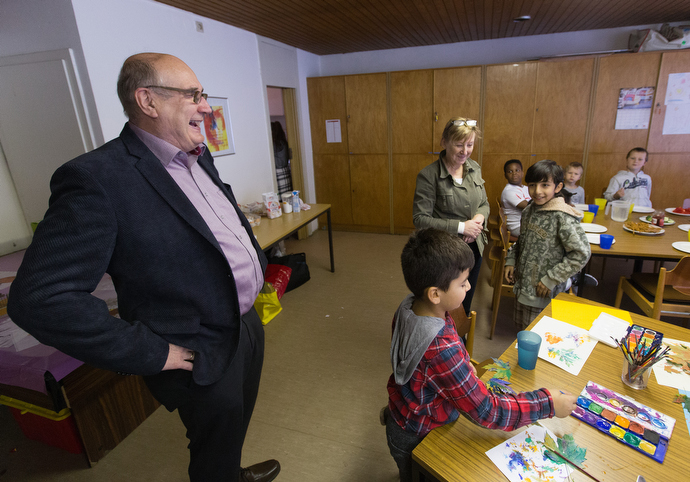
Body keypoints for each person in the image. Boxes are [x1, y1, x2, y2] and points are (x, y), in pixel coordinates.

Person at [8, 53, 280, 482]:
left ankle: (232, 473)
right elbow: (40, 299)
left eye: (203, 94)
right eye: (193, 94)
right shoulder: (96, 178)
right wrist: (152, 353)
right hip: (196, 348)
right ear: (148, 101)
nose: (205, 106)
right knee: (213, 440)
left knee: (232, 426)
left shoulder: (196, 154)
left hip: (245, 325)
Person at [384, 228, 578, 482]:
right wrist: (547, 403)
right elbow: (488, 411)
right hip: (418, 435)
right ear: (435, 294)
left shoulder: (412, 304)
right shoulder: (441, 350)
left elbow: (427, 365)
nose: (469, 286)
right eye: (463, 283)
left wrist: (462, 365)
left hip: (406, 412)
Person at [412, 117, 489, 314]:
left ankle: (459, 342)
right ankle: (442, 342)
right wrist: (463, 227)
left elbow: (484, 203)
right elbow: (420, 219)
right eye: (459, 145)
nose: (465, 151)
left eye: (470, 145)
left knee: (465, 302)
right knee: (445, 305)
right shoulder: (428, 176)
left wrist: (478, 220)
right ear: (444, 142)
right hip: (445, 253)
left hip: (474, 246)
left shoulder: (474, 168)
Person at [504, 160, 591, 329]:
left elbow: (581, 253)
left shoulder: (562, 216)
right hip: (524, 285)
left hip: (543, 290)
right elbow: (523, 239)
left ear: (557, 187)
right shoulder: (529, 209)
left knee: (539, 336)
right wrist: (511, 260)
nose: (537, 191)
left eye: (545, 185)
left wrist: (551, 279)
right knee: (522, 332)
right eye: (532, 185)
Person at [500, 159, 530, 237]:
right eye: (510, 171)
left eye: (517, 170)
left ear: (522, 173)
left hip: (528, 223)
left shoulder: (526, 188)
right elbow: (529, 207)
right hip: (517, 227)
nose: (514, 173)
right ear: (505, 175)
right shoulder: (509, 191)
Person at [271, 121, 292, 196]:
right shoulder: (284, 143)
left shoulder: (272, 145)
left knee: (280, 197)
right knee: (287, 196)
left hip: (277, 173)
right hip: (286, 171)